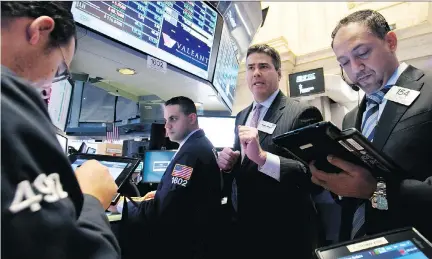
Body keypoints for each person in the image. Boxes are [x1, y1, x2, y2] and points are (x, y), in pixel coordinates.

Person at [1, 2, 121, 258]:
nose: (47, 85)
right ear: (40, 30)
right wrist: (91, 199)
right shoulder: (10, 98)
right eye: (59, 70)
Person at [310, 9, 432, 242]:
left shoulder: (428, 89)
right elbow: (356, 192)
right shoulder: (351, 118)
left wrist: (376, 190)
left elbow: (373, 188)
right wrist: (337, 184)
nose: (355, 68)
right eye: (344, 62)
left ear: (390, 42)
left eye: (362, 53)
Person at [217, 44, 324, 259]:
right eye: (250, 68)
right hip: (246, 229)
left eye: (264, 66)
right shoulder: (241, 116)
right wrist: (229, 164)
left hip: (286, 233)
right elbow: (244, 166)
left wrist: (264, 159)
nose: (256, 72)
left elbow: (313, 175)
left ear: (278, 72)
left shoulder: (302, 113)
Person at [117, 96, 223, 259]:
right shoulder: (201, 144)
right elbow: (181, 196)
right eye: (166, 120)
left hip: (184, 245)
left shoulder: (190, 153)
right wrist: (160, 194)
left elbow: (165, 210)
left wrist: (121, 206)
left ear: (191, 118)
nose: (167, 126)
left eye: (173, 119)